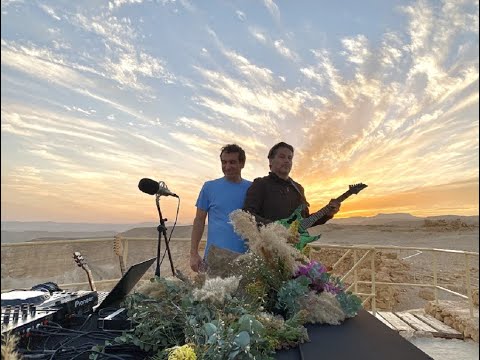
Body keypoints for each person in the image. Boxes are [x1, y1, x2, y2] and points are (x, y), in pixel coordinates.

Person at [243, 141, 340, 230]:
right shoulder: (261, 184)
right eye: (282, 157)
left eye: (290, 158)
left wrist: (327, 214)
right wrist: (276, 228)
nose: (287, 161)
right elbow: (247, 214)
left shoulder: (298, 188)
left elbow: (305, 222)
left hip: (294, 247)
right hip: (267, 246)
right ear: (271, 161)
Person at [190, 144, 252, 273]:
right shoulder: (209, 187)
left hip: (245, 259)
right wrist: (194, 254)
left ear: (242, 163)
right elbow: (199, 221)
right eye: (224, 162)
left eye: (232, 162)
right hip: (214, 259)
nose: (227, 167)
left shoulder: (252, 189)